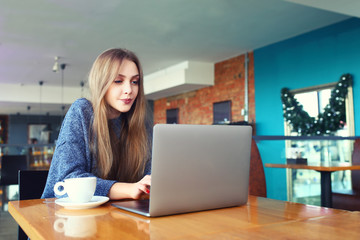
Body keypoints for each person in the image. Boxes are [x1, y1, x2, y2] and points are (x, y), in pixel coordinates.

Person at [42, 48, 152, 200]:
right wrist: (128, 189)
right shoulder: (82, 111)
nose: (129, 90)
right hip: (62, 216)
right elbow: (69, 181)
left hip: (118, 213)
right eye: (118, 81)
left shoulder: (140, 122)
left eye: (135, 82)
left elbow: (149, 173)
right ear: (101, 83)